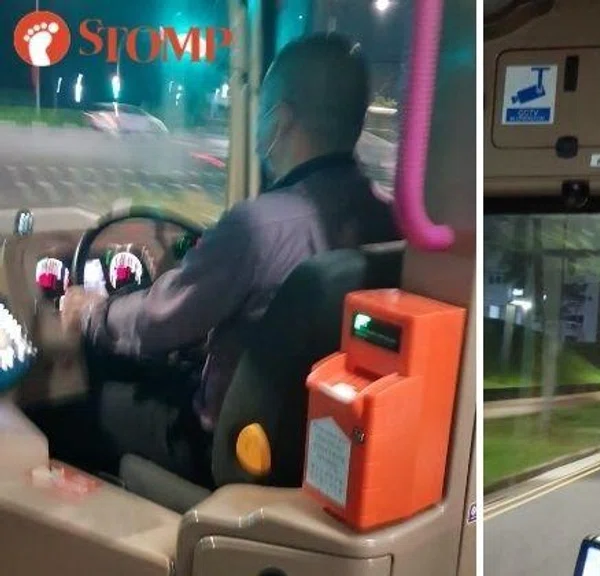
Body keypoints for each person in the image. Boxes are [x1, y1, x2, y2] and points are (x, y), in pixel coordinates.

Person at [45, 33, 400, 486]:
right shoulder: (387, 217)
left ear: (280, 120)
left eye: (260, 110)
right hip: (310, 445)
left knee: (71, 408)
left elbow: (158, 321)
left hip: (223, 445)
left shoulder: (258, 226)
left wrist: (93, 311)